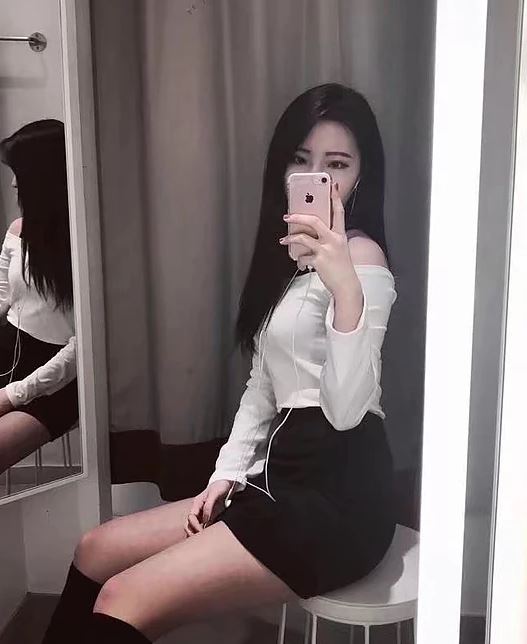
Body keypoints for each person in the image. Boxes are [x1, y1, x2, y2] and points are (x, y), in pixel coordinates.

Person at [41, 83, 398, 644]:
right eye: (300, 159)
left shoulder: (362, 258)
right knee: (95, 549)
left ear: (360, 175)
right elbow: (263, 384)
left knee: (121, 598)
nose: (316, 176)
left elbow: (347, 411)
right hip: (276, 474)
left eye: (336, 165)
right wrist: (226, 473)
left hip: (340, 495)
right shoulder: (287, 261)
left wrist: (346, 290)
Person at [0, 119, 78, 475]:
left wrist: (13, 395)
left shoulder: (83, 245)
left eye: (19, 172)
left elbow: (82, 347)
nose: (13, 183)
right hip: (10, 348)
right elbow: (3, 297)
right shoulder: (18, 230)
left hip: (58, 377)